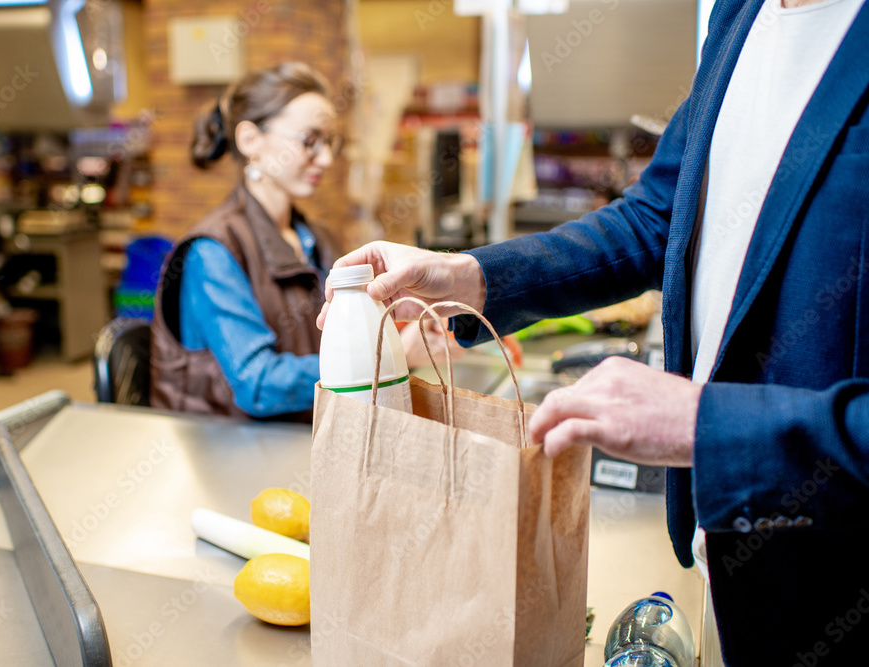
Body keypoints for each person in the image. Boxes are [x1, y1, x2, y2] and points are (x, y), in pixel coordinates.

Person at [319, 0, 869, 663]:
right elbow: (656, 217)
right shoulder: (739, 16)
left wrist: (709, 426)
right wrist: (470, 276)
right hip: (726, 556)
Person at [150, 62, 454, 420]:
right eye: (310, 140)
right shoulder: (212, 251)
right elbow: (257, 384)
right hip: (239, 456)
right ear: (250, 140)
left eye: (329, 142)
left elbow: (343, 337)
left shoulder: (316, 239)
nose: (325, 158)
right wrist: (390, 354)